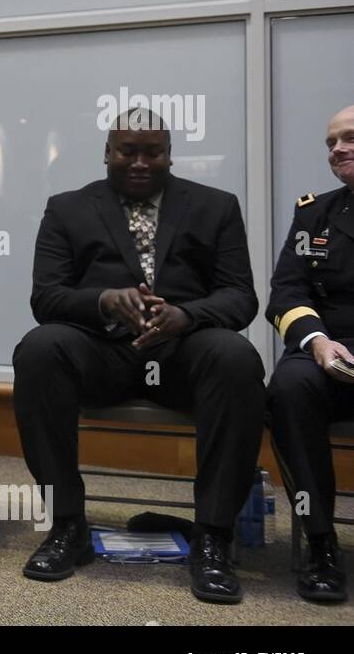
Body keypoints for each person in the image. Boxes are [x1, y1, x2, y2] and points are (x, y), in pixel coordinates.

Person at [13, 107, 264, 604]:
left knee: (237, 357)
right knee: (39, 349)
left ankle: (212, 537)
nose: (140, 162)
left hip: (183, 353)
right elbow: (47, 298)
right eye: (128, 150)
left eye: (153, 151)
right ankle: (68, 526)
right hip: (103, 352)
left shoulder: (216, 206)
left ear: (170, 154)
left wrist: (187, 316)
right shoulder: (67, 207)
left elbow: (241, 297)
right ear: (108, 153)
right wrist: (105, 300)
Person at [263, 103, 354, 604]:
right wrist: (317, 341)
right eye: (331, 142)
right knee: (289, 388)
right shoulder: (314, 212)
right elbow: (286, 294)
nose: (337, 149)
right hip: (329, 350)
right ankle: (320, 543)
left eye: (349, 138)